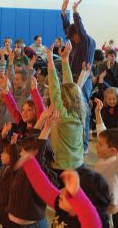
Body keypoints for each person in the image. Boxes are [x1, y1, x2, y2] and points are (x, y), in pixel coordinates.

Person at [61, 0, 96, 153]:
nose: (73, 40)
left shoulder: (86, 41)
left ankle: (84, 145)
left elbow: (79, 29)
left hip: (85, 77)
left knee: (83, 109)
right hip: (75, 76)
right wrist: (63, 13)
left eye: (74, 36)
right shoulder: (75, 41)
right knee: (71, 106)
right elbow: (68, 28)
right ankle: (74, 138)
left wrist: (74, 11)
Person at [46, 42, 85, 171]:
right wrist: (64, 60)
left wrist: (51, 61)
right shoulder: (80, 113)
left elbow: (55, 91)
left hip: (62, 168)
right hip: (78, 165)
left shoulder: (62, 116)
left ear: (65, 101)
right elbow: (70, 87)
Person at [94, 98, 118, 228]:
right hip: (100, 201)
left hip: (110, 209)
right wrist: (98, 113)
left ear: (113, 150)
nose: (97, 146)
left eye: (100, 145)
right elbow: (101, 132)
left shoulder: (117, 164)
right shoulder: (105, 157)